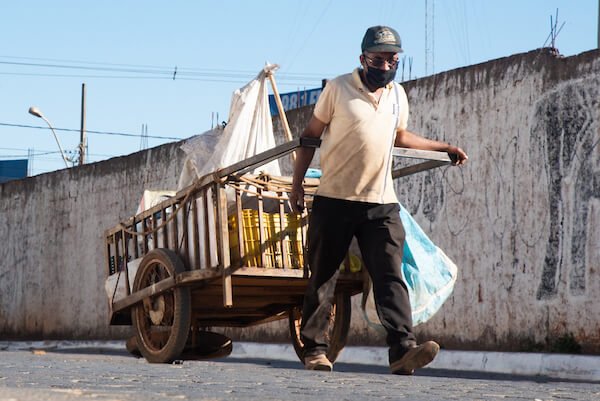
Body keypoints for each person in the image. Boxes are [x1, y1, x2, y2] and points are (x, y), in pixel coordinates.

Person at [289, 25, 468, 374]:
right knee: (324, 276)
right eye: (378, 59)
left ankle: (402, 350)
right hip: (335, 199)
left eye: (392, 59)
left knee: (390, 275)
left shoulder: (398, 95)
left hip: (381, 203)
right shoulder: (337, 89)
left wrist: (442, 147)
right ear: (363, 58)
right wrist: (297, 186)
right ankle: (315, 350)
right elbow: (310, 137)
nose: (385, 66)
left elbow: (400, 136)